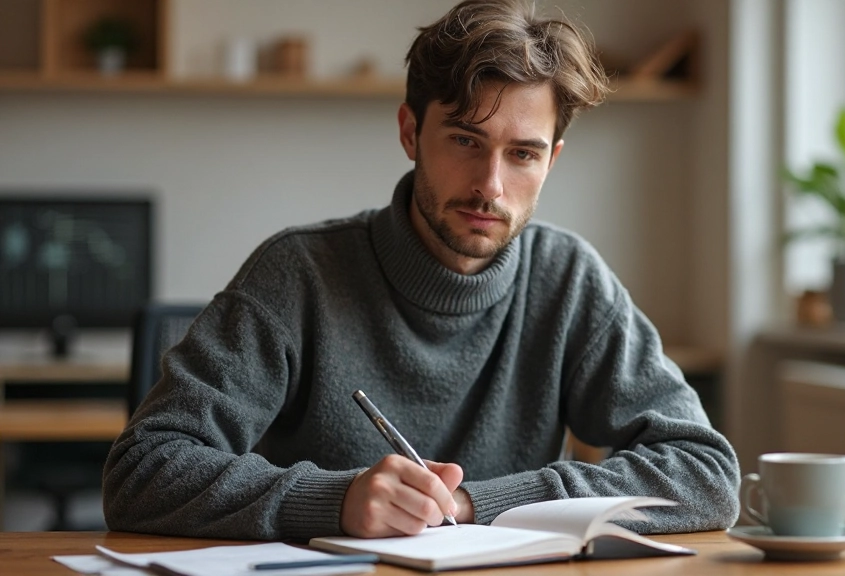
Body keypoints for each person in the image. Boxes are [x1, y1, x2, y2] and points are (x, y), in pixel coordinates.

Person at [103, 0, 740, 541]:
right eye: (465, 140)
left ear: (552, 161)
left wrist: (479, 505)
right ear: (411, 132)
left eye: (522, 154)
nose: (491, 186)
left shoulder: (569, 280)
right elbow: (142, 471)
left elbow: (705, 473)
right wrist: (338, 500)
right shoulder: (296, 273)